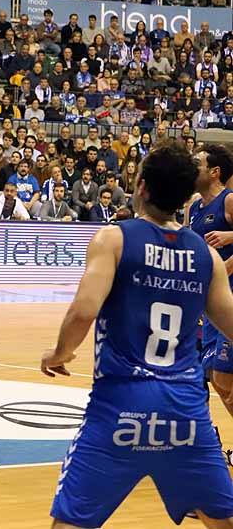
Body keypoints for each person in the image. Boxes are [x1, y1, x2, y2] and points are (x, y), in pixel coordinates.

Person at [42, 141, 233, 528]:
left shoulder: (114, 238)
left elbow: (83, 310)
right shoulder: (206, 256)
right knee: (223, 521)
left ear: (142, 186)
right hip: (185, 412)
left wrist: (59, 353)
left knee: (71, 522)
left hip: (120, 407)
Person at [186, 144, 233, 445]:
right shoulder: (193, 205)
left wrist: (225, 265)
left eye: (198, 163)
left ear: (214, 172)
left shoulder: (230, 201)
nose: (193, 168)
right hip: (209, 306)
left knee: (224, 377)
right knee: (220, 383)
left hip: (230, 301)